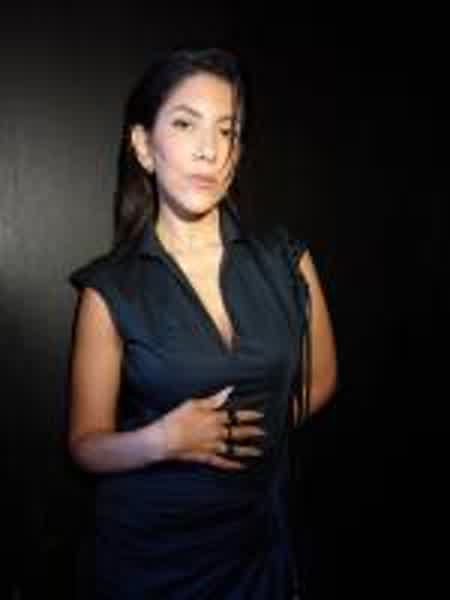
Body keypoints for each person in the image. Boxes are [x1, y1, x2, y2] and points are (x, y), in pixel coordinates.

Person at [67, 47, 337, 599]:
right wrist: (162, 440)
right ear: (144, 146)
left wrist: (250, 436)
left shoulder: (287, 261)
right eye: (185, 124)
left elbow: (323, 379)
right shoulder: (110, 289)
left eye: (226, 130)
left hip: (258, 548)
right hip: (151, 560)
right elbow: (84, 443)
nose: (208, 149)